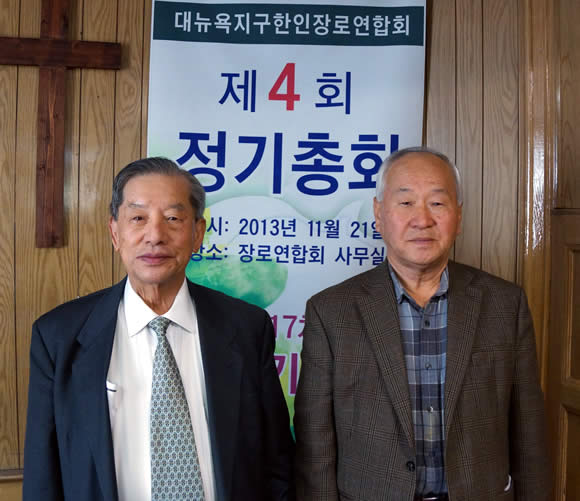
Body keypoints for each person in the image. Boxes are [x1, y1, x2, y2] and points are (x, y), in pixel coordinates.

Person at [23, 157, 294, 501]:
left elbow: (277, 462)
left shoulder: (246, 327)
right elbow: (43, 476)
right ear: (115, 232)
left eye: (173, 219)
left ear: (198, 234)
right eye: (138, 218)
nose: (155, 236)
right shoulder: (58, 337)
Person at [294, 147, 550, 501]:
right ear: (378, 214)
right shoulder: (331, 312)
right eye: (406, 203)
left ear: (458, 216)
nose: (422, 219)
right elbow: (315, 444)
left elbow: (529, 430)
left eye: (438, 203)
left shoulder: (505, 304)